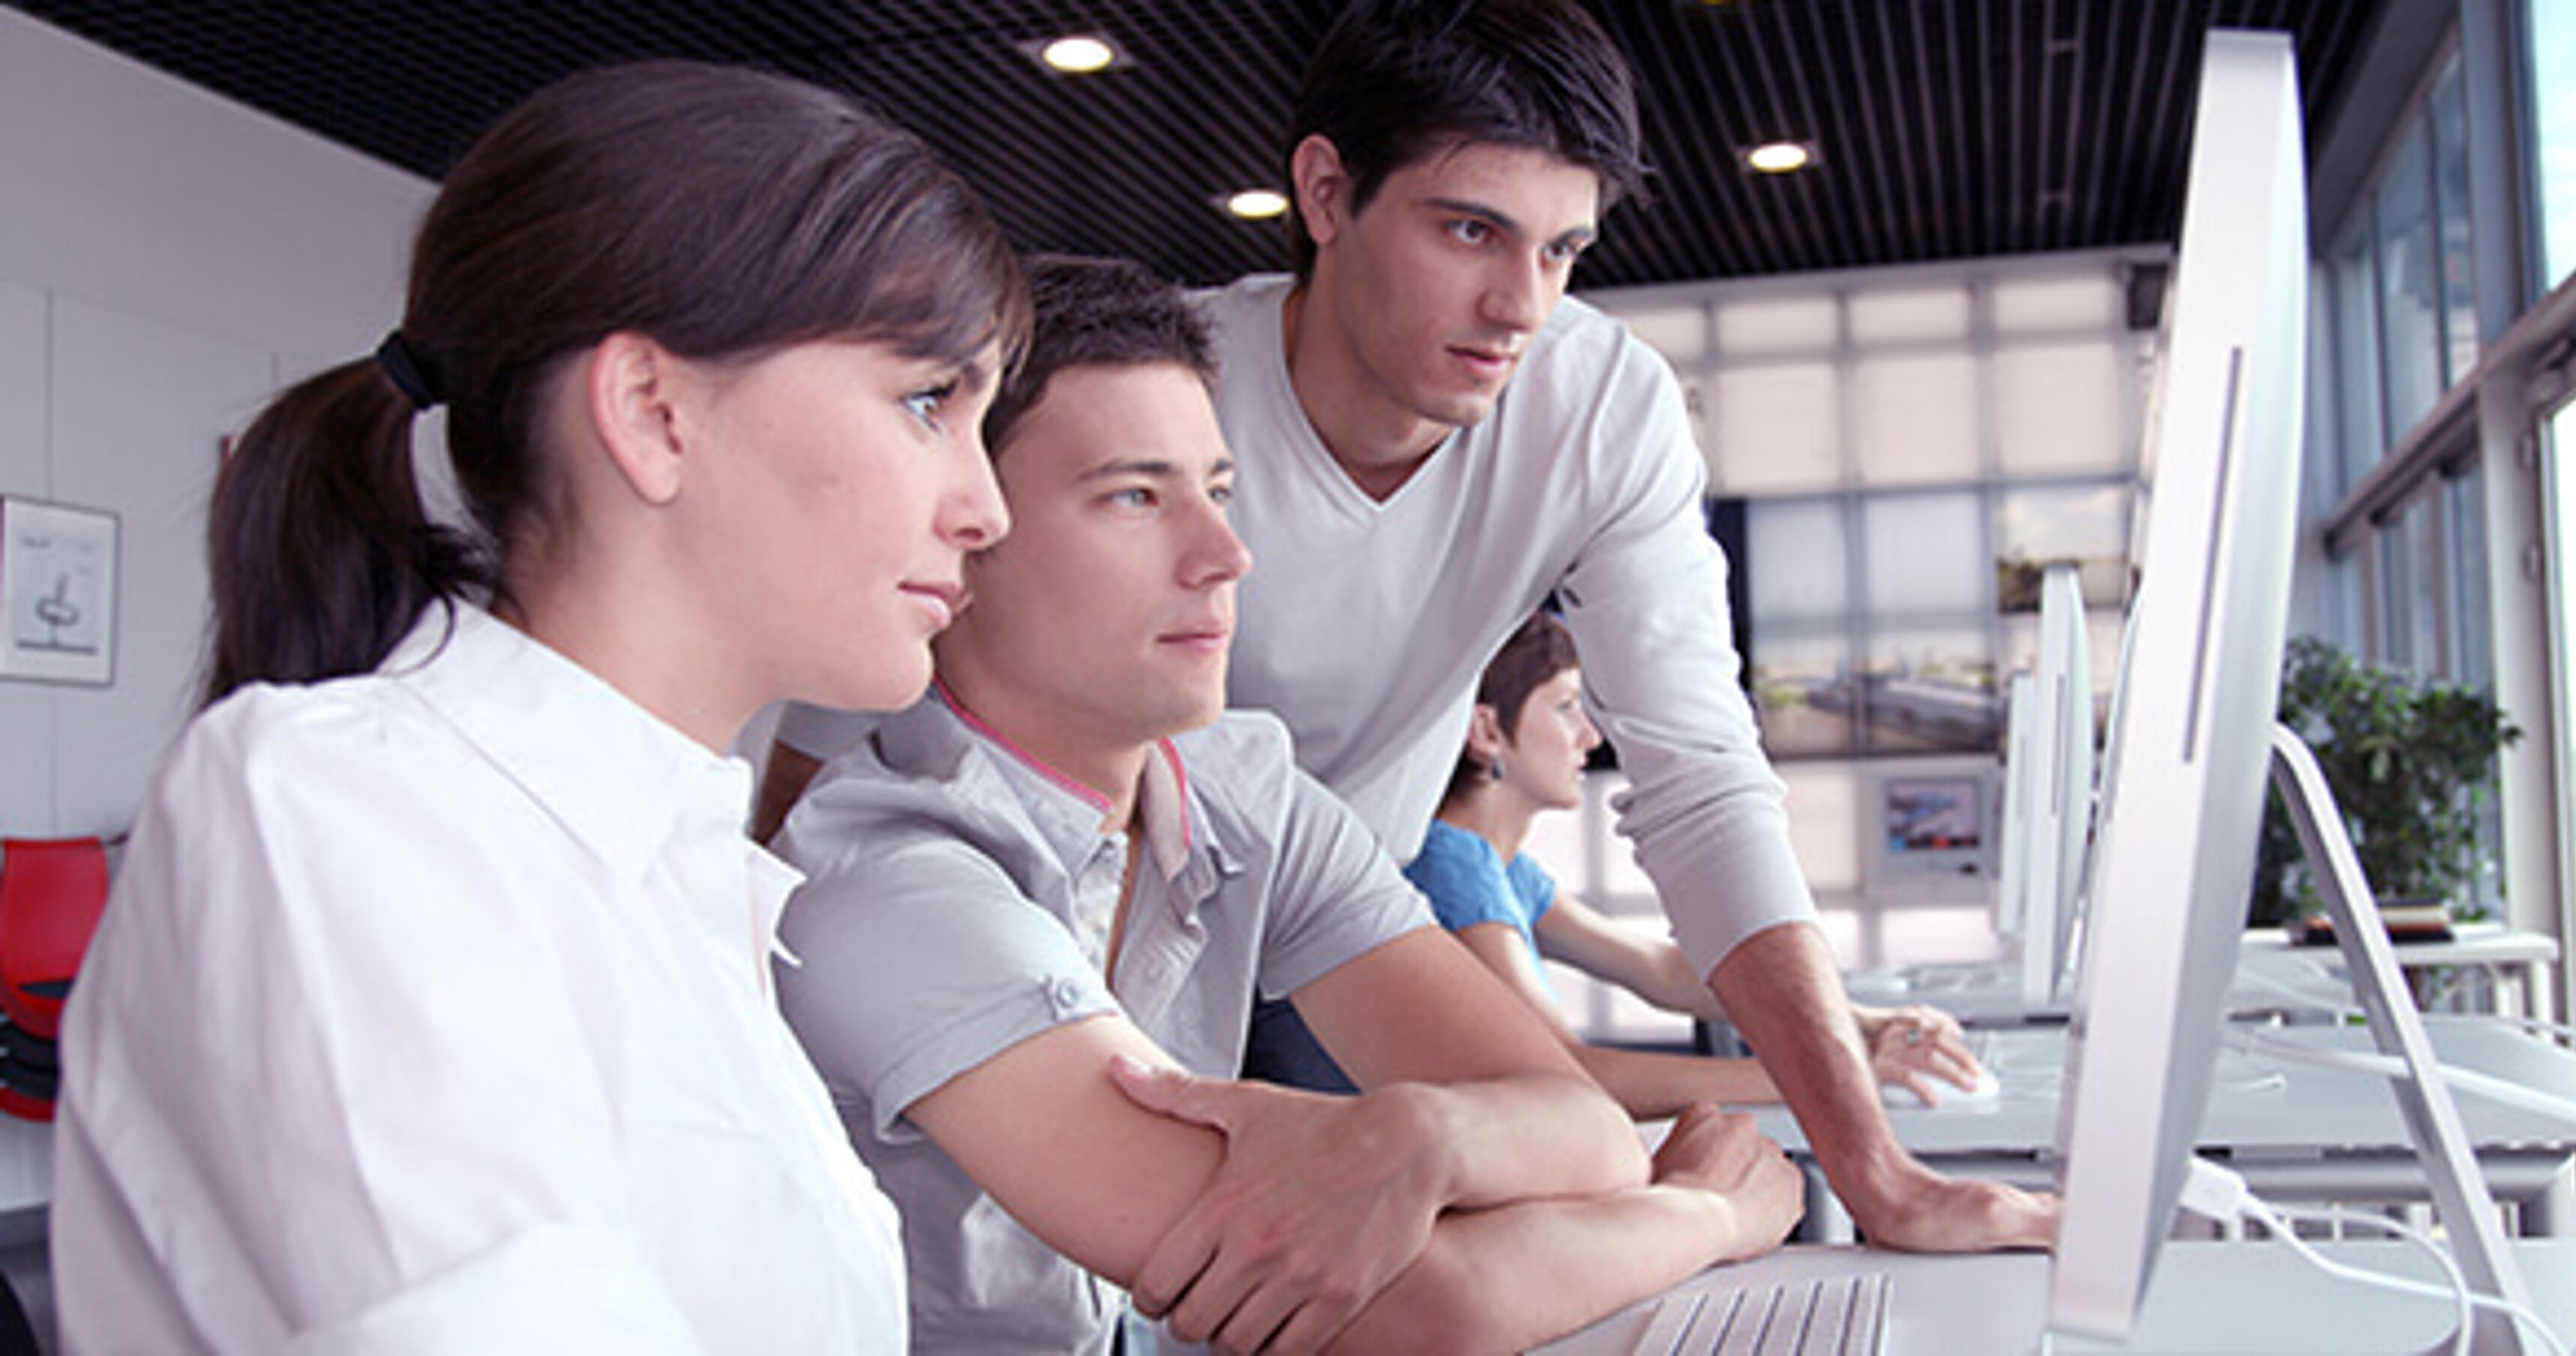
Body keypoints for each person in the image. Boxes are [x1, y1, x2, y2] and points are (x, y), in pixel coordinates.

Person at [762, 0, 2054, 1252]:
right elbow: (832, 742)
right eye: (1471, 230)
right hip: (1065, 916)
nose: (1521, 305)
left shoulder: (1598, 405)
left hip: (1342, 911)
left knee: (1484, 1232)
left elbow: (1702, 773)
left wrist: (1875, 1168)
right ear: (1325, 194)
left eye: (1561, 249)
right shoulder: (1163, 395)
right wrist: (766, 1014)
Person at [52, 60, 1026, 1352]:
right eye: (927, 401)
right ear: (652, 411)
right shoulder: (337, 808)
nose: (985, 507)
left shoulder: (681, 873)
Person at [769, 254, 1801, 1356]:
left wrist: (1429, 1132)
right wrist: (1713, 1213)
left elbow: (1588, 1134)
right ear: (965, 532)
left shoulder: (1235, 787)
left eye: (1217, 490)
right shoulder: (880, 881)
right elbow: (1415, 1311)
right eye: (1133, 496)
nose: (1225, 555)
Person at [1317, 610, 1987, 1117]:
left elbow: (1658, 970)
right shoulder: (1447, 864)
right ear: (1488, 731)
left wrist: (1852, 1020)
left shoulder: (1499, 867)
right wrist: (1831, 1070)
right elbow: (1571, 1072)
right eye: (1567, 706)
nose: (1591, 735)